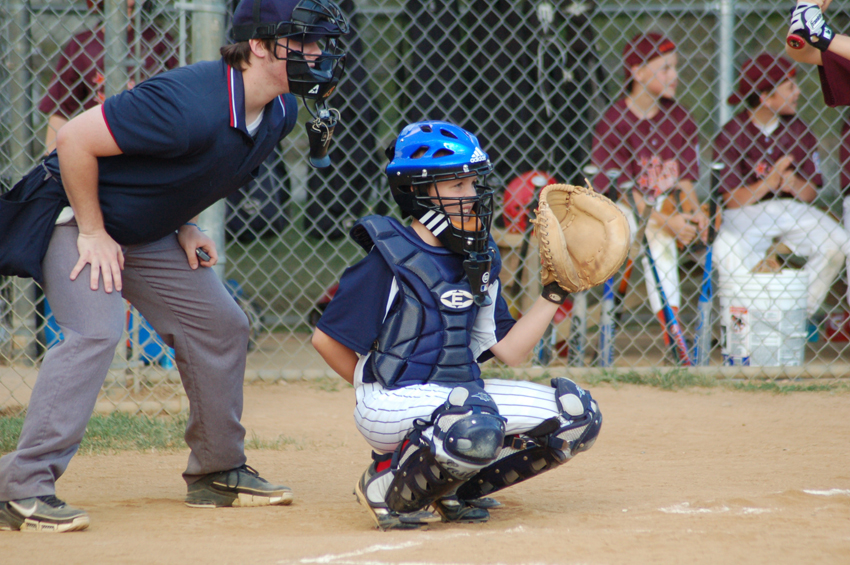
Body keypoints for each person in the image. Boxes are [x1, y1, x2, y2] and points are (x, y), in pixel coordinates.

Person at [0, 0, 349, 533]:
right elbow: (71, 140)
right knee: (95, 331)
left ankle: (217, 471)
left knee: (221, 324)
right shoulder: (188, 100)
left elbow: (199, 170)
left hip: (144, 229)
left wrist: (183, 223)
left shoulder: (280, 111)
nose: (316, 54)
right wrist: (92, 231)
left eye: (320, 42)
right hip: (72, 214)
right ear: (257, 45)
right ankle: (19, 488)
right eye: (301, 42)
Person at [311, 120, 603, 530]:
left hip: (462, 400)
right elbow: (325, 340)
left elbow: (510, 353)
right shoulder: (389, 256)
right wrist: (373, 386)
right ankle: (388, 481)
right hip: (393, 401)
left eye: (473, 183)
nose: (472, 196)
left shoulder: (480, 258)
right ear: (418, 192)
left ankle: (450, 487)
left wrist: (555, 291)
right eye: (456, 187)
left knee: (577, 417)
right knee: (475, 419)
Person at [591, 32, 708, 352]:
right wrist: (667, 223)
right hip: (625, 211)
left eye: (675, 67)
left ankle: (689, 331)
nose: (675, 75)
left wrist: (694, 212)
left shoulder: (680, 116)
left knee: (672, 232)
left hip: (667, 207)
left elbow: (684, 181)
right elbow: (626, 193)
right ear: (637, 71)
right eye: (665, 68)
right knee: (659, 240)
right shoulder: (613, 120)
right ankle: (675, 336)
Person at [712, 52, 850, 317]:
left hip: (790, 208)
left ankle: (795, 313)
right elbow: (732, 200)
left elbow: (809, 193)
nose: (798, 92)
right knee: (727, 250)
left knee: (837, 242)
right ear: (765, 97)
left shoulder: (799, 130)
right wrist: (769, 182)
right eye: (789, 87)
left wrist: (793, 182)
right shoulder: (732, 133)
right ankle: (745, 322)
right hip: (745, 212)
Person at [40, 0, 178, 154]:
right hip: (100, 143)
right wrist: (52, 157)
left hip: (148, 143)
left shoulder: (160, 41)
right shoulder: (83, 44)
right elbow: (61, 109)